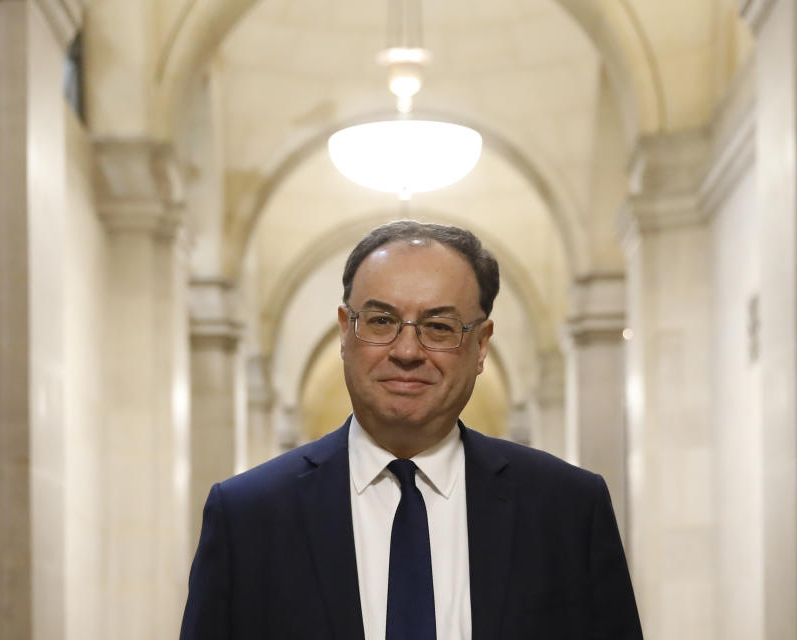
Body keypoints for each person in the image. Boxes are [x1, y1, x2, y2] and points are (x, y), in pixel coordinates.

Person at [180, 221, 643, 639]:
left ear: (481, 344)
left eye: (439, 327)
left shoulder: (568, 510)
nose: (406, 351)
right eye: (380, 321)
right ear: (345, 331)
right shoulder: (246, 516)